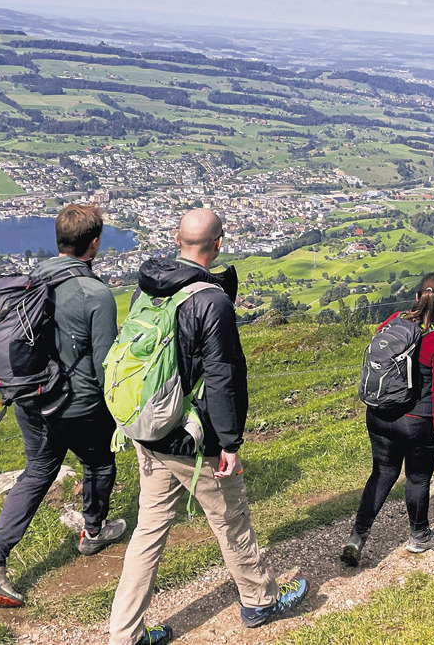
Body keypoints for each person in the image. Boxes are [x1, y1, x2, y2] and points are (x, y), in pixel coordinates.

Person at [108, 209, 308, 645]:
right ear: (219, 244)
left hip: (150, 428)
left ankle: (124, 635)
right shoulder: (210, 300)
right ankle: (259, 600)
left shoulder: (150, 286)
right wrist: (230, 444)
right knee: (231, 520)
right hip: (191, 438)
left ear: (177, 239)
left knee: (148, 532)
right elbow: (223, 377)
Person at [0, 204, 124, 608]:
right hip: (77, 403)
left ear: (58, 240)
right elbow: (106, 362)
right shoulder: (96, 294)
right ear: (94, 244)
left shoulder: (30, 281)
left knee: (37, 471)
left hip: (30, 398)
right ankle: (93, 532)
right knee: (100, 463)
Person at [341, 273, 434, 567]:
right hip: (418, 422)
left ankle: (357, 536)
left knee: (381, 474)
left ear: (417, 297)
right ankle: (419, 536)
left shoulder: (393, 320)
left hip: (380, 415)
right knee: (417, 478)